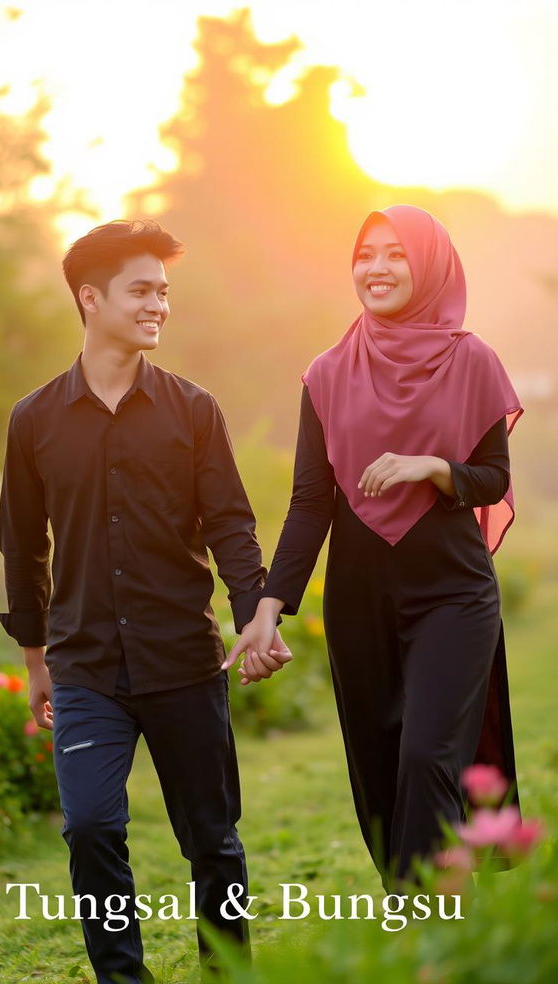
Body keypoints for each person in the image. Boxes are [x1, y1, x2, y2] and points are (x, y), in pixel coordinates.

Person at [0, 219, 290, 984]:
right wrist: (36, 661)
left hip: (185, 662)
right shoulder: (33, 421)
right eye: (141, 290)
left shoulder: (194, 411)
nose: (158, 304)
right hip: (86, 667)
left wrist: (257, 613)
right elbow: (23, 546)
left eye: (164, 291)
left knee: (212, 840)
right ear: (90, 299)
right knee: (91, 826)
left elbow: (231, 523)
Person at [224, 205, 522, 888]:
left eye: (395, 253)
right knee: (383, 769)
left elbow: (494, 479)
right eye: (365, 253)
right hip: (359, 602)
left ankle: (422, 924)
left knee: (428, 756)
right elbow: (309, 502)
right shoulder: (326, 373)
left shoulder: (472, 359)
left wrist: (432, 467)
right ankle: (430, 901)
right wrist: (270, 605)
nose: (377, 267)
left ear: (430, 266)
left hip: (452, 592)